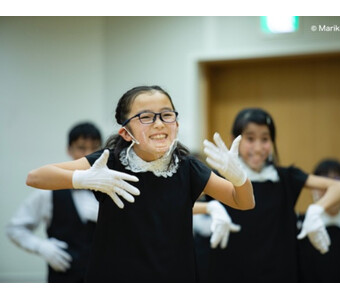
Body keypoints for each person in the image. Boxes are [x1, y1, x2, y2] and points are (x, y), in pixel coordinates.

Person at [25, 85, 255, 283]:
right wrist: (81, 178)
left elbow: (243, 202)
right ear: (126, 132)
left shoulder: (187, 167)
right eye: (146, 117)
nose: (159, 123)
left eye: (166, 115)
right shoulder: (110, 161)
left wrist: (239, 178)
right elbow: (35, 177)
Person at [204, 108, 340, 282]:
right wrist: (208, 207)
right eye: (250, 139)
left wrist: (316, 210)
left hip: (279, 277)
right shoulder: (220, 178)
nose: (258, 148)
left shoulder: (285, 177)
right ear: (234, 139)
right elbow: (182, 202)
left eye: (265, 139)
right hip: (230, 276)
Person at [6, 122, 102, 283]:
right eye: (81, 148)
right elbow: (15, 228)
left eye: (94, 148)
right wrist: (41, 247)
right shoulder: (49, 192)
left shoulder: (111, 188)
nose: (88, 154)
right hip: (63, 281)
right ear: (69, 149)